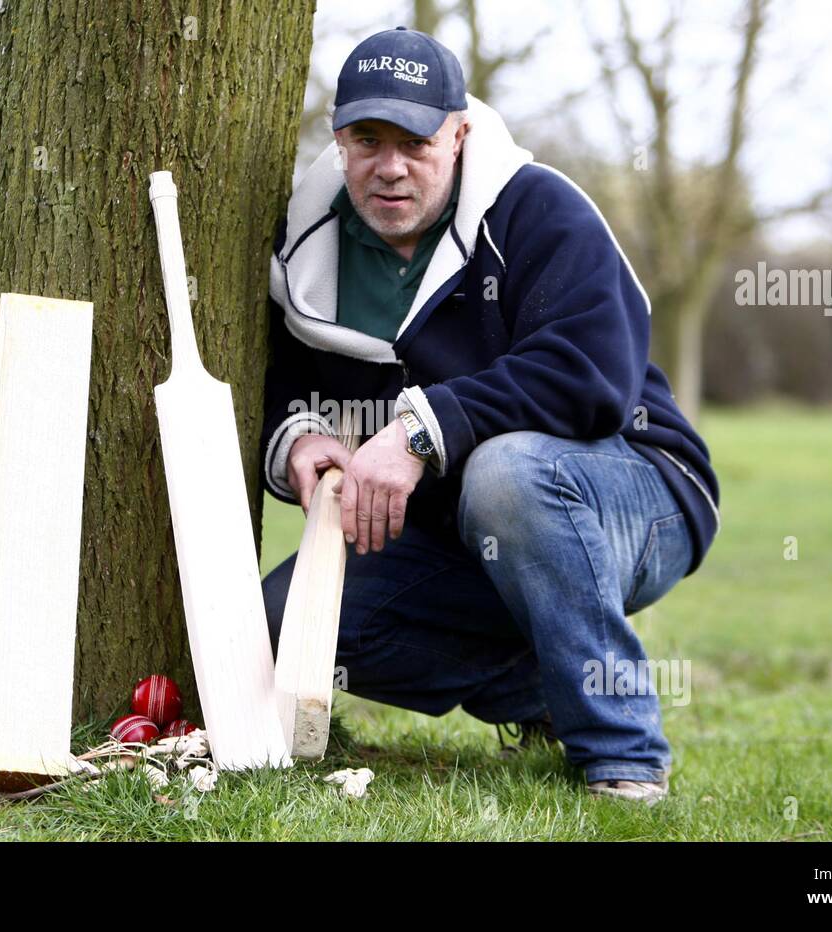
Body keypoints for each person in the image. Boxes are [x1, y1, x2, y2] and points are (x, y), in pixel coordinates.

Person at [259, 26, 720, 805]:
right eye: (367, 140)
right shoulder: (307, 250)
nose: (391, 167)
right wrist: (299, 435)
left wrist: (418, 428)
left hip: (635, 489)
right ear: (339, 140)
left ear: (460, 132)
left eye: (416, 140)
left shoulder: (540, 210)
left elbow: (593, 376)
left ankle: (623, 753)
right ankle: (541, 687)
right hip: (458, 535)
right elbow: (278, 383)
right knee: (283, 623)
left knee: (506, 474)